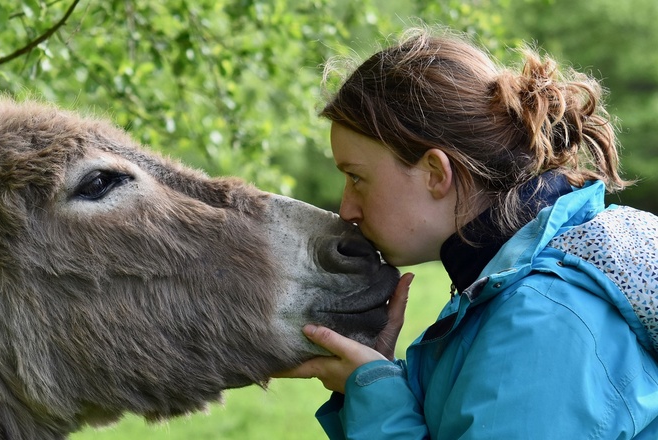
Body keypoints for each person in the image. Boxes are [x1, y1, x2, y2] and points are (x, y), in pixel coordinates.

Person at [277, 27, 658, 438]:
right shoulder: (513, 287)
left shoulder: (541, 321)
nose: (347, 209)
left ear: (436, 173)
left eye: (356, 177)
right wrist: (374, 378)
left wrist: (378, 398)